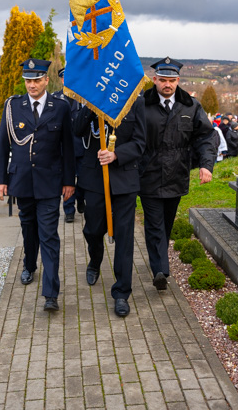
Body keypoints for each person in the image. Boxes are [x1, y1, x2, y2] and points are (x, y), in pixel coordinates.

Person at [0, 58, 75, 312]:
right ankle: (29, 265)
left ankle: (51, 294)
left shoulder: (59, 107)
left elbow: (68, 149)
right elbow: (4, 146)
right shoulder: (12, 106)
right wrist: (0, 180)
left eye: (36, 80)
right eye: (28, 80)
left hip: (50, 183)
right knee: (28, 229)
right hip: (21, 181)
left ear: (46, 80)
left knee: (49, 235)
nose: (32, 85)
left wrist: (68, 182)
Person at [140, 57, 216, 291]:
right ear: (154, 80)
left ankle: (159, 262)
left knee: (165, 224)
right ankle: (161, 270)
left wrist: (206, 165)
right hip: (148, 174)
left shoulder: (191, 106)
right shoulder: (141, 104)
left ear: (178, 81)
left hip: (177, 173)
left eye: (172, 81)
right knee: (154, 223)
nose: (167, 85)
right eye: (163, 80)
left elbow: (205, 137)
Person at [73, 98, 146, 317]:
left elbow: (140, 142)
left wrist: (116, 155)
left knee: (124, 238)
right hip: (94, 178)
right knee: (93, 230)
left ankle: (122, 292)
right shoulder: (91, 99)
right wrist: (91, 105)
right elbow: (77, 130)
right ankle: (95, 260)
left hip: (124, 179)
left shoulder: (136, 102)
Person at [53, 68, 86, 223]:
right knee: (67, 178)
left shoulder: (84, 97)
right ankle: (69, 210)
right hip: (63, 148)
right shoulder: (55, 98)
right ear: (62, 80)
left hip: (81, 146)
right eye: (65, 78)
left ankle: (80, 197)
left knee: (82, 178)